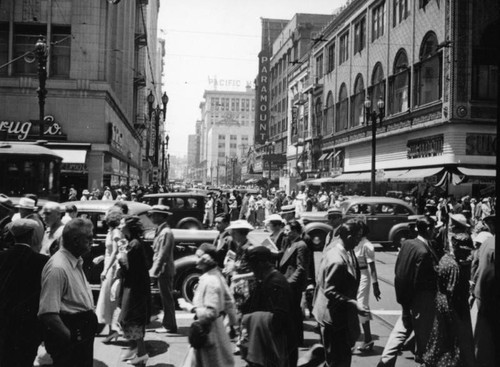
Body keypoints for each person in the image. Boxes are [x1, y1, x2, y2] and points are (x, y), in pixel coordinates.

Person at [38, 218, 97, 367]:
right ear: (76, 240)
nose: (92, 242)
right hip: (72, 332)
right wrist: (71, 338)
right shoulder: (58, 267)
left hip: (81, 330)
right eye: (89, 238)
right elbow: (48, 313)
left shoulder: (75, 261)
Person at [312, 220, 368, 367]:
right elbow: (330, 291)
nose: (359, 241)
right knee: (338, 360)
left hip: (338, 317)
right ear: (349, 237)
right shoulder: (337, 260)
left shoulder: (341, 251)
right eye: (358, 237)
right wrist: (353, 303)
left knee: (337, 358)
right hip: (333, 319)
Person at [422, 215, 475, 367]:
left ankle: (433, 359)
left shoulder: (446, 258)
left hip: (441, 302)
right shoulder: (454, 267)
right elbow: (453, 292)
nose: (468, 254)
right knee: (451, 337)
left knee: (439, 334)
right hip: (450, 305)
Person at [0, 219, 49, 367]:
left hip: (3, 324)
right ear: (32, 235)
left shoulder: (2, 257)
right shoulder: (42, 261)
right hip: (28, 326)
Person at [179, 243, 237, 367]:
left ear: (207, 259)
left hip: (209, 333)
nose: (196, 260)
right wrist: (232, 323)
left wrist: (189, 307)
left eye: (199, 256)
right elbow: (229, 301)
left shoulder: (210, 280)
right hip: (217, 330)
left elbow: (211, 313)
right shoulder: (216, 275)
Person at [243, 246, 297, 367]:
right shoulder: (266, 280)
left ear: (262, 264)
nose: (252, 270)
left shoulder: (275, 283)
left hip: (279, 348)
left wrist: (253, 319)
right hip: (269, 346)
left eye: (252, 266)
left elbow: (279, 319)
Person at [394, 216, 439, 363]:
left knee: (403, 330)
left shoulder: (408, 243)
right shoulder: (423, 251)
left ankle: (387, 359)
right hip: (420, 300)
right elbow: (418, 281)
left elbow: (398, 270)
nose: (435, 232)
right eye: (433, 228)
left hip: (408, 298)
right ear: (427, 229)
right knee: (423, 335)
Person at [117, 216, 153, 365]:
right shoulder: (137, 243)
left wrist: (121, 257)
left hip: (134, 289)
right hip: (138, 287)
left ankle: (142, 354)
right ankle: (140, 352)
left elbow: (129, 268)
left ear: (129, 228)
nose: (120, 227)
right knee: (134, 320)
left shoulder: (134, 245)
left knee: (132, 319)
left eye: (122, 224)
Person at [279, 220, 309, 347]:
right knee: (290, 312)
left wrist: (290, 282)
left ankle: (297, 340)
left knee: (294, 313)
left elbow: (301, 268)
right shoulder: (290, 243)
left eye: (288, 230)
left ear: (295, 231)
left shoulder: (301, 245)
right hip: (286, 281)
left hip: (293, 285)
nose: (286, 233)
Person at [149, 205, 178, 334]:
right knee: (165, 297)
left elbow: (162, 254)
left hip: (164, 270)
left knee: (167, 298)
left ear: (162, 216)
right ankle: (168, 323)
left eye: (155, 215)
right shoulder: (161, 230)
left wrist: (154, 272)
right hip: (162, 269)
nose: (152, 217)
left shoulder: (165, 232)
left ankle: (169, 325)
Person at [354, 220, 381, 352]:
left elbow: (372, 268)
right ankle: (368, 338)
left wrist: (376, 285)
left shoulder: (367, 245)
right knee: (360, 305)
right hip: (353, 275)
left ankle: (364, 339)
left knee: (361, 306)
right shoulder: (354, 242)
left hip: (363, 276)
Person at [95, 210, 122, 343]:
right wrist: (102, 258)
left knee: (110, 299)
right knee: (108, 299)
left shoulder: (115, 232)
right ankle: (112, 330)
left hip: (111, 267)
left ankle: (113, 330)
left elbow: (116, 251)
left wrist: (106, 269)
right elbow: (110, 250)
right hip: (108, 264)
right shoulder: (111, 231)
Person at [472, 233, 496, 367]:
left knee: (483, 343)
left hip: (483, 296)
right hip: (490, 298)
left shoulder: (488, 242)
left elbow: (477, 268)